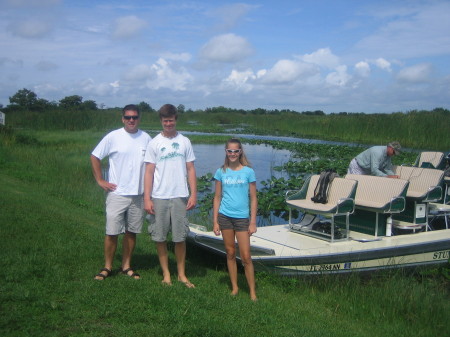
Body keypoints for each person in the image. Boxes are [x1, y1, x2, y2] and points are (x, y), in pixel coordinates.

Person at [91, 104, 151, 280]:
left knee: (131, 232)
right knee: (112, 231)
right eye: (128, 117)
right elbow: (95, 156)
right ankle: (107, 267)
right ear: (122, 119)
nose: (131, 120)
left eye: (134, 117)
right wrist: (100, 180)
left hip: (138, 195)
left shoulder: (146, 138)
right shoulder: (113, 137)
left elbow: (152, 166)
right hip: (117, 193)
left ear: (139, 118)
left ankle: (126, 266)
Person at [144, 104, 197, 288]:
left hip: (180, 195)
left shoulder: (185, 141)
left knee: (180, 237)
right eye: (165, 120)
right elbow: (149, 172)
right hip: (159, 196)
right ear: (161, 121)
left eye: (171, 120)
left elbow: (190, 169)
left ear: (176, 120)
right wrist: (147, 198)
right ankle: (166, 274)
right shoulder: (154, 142)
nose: (168, 123)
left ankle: (182, 275)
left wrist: (193, 194)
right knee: (160, 237)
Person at [213, 138, 258, 301]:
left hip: (242, 219)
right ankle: (235, 287)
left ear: (240, 152)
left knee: (246, 256)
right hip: (225, 216)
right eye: (229, 151)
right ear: (226, 152)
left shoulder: (248, 172)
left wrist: (253, 221)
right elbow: (217, 197)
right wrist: (215, 221)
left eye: (236, 151)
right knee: (230, 252)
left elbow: (253, 198)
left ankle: (252, 292)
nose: (233, 154)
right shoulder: (221, 172)